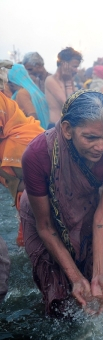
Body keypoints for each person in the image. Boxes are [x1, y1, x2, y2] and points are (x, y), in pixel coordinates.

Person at [20, 90, 103, 317]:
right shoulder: (37, 154)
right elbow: (44, 226)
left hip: (86, 210)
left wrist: (99, 273)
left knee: (96, 294)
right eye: (91, 138)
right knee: (59, 300)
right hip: (42, 213)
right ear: (67, 130)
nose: (101, 147)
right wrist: (75, 279)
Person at [0, 63, 45, 246]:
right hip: (31, 144)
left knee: (30, 204)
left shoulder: (7, 100)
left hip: (20, 151)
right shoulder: (7, 100)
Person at [45, 47, 83, 127]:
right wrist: (69, 83)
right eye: (74, 66)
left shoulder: (68, 79)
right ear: (63, 64)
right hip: (56, 127)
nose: (76, 70)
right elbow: (68, 105)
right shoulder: (51, 80)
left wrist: (68, 81)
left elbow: (75, 103)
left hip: (69, 126)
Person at [7, 64, 50, 129]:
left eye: (8, 81)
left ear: (12, 81)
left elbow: (33, 116)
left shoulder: (21, 93)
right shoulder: (32, 90)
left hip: (32, 133)